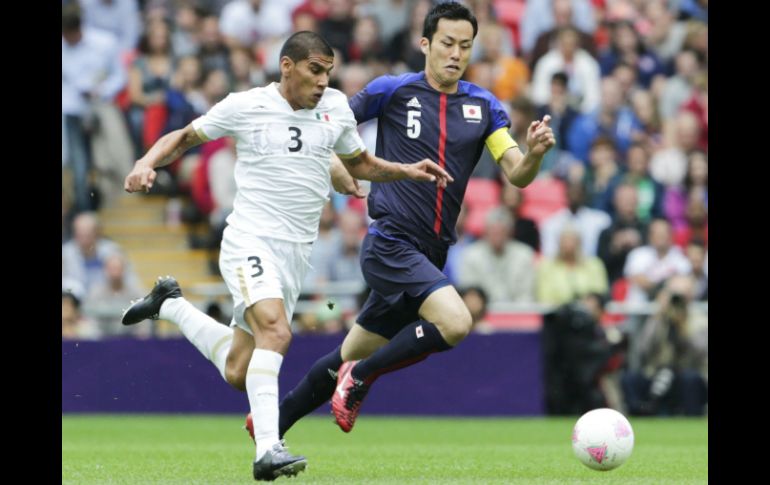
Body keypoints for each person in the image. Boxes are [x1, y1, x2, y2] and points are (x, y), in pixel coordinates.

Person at [119, 31, 452, 482]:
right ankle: (268, 449)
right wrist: (146, 163)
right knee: (276, 333)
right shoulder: (247, 105)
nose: (323, 81)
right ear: (287, 67)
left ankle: (170, 303)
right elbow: (184, 137)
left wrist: (405, 171)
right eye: (315, 70)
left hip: (295, 254)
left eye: (328, 71)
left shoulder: (334, 108)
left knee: (240, 370)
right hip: (250, 240)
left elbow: (358, 164)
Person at [273, 2, 555, 438]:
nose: (456, 53)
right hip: (390, 241)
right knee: (457, 323)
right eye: (447, 43)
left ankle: (272, 425)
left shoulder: (485, 108)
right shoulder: (392, 90)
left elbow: (517, 174)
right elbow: (324, 126)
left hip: (430, 254)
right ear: (425, 44)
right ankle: (362, 378)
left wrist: (534, 153)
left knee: (345, 352)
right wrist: (336, 169)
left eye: (465, 45)